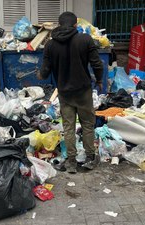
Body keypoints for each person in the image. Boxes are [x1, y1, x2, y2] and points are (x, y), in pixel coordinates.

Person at [37, 12, 103, 173]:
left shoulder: (50, 45)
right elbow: (97, 64)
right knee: (87, 125)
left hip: (65, 92)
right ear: (75, 25)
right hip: (83, 91)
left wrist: (40, 74)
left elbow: (44, 72)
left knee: (68, 127)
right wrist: (99, 80)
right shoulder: (85, 39)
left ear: (59, 25)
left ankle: (71, 161)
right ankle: (89, 158)